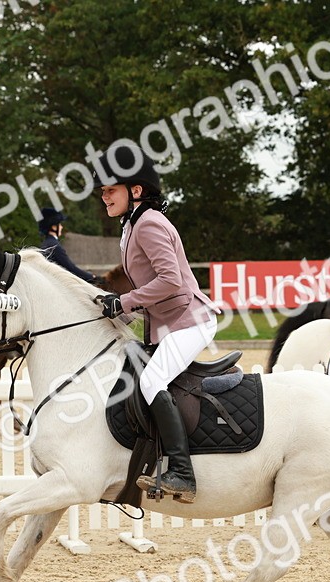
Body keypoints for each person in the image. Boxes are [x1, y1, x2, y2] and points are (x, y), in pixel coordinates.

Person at [94, 145, 220, 503]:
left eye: (110, 189)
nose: (104, 196)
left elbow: (172, 281)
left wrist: (125, 301)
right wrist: (120, 310)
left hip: (190, 322)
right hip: (170, 322)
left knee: (151, 380)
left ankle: (182, 473)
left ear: (136, 190)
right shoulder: (133, 225)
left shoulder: (148, 224)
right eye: (102, 191)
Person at [37, 207, 99, 284]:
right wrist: (92, 277)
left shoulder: (46, 244)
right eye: (60, 224)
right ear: (53, 227)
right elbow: (71, 268)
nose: (61, 227)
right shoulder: (54, 247)